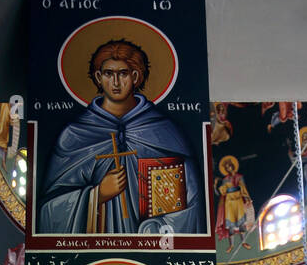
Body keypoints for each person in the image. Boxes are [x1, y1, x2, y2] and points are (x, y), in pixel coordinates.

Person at [38, 39, 204, 236]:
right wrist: (97, 195)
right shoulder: (74, 135)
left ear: (135, 76)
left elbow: (191, 198)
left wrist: (158, 229)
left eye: (123, 73)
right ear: (98, 77)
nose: (115, 83)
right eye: (108, 74)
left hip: (151, 245)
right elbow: (48, 210)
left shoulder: (164, 132)